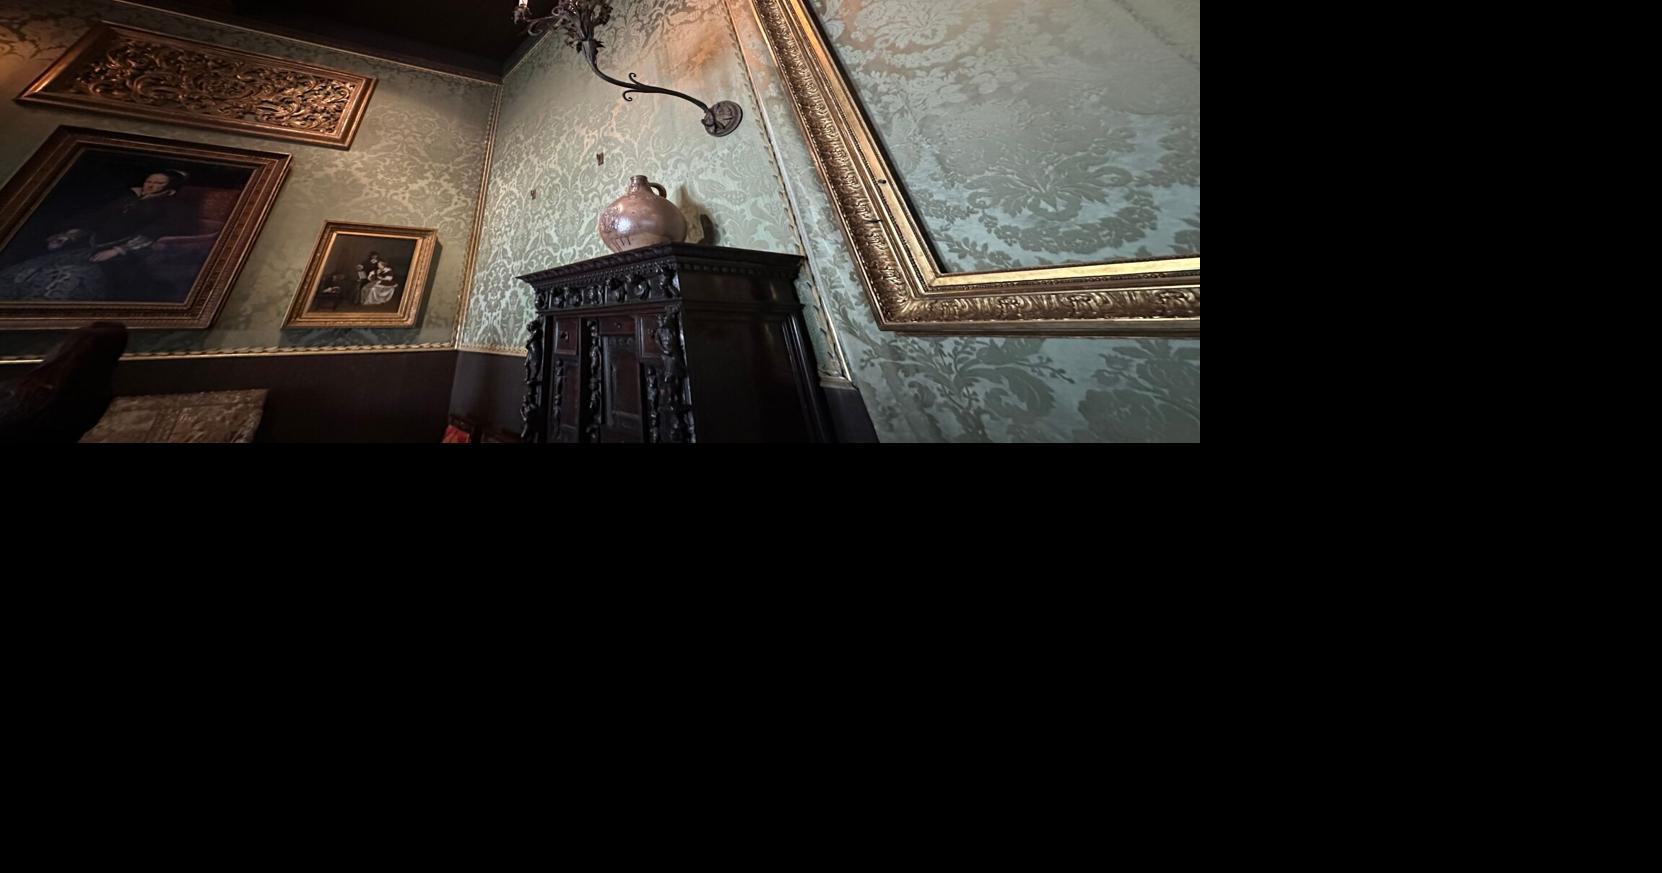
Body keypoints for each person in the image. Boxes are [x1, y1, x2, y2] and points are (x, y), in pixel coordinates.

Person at [0, 170, 198, 301]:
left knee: (70, 279)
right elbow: (96, 220)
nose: (150, 185)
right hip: (92, 247)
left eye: (158, 183)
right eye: (149, 181)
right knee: (31, 271)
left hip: (130, 256)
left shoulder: (173, 207)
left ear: (170, 189)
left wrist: (117, 250)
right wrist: (68, 236)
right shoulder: (126, 200)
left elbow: (158, 232)